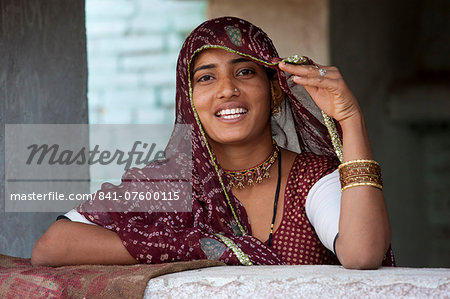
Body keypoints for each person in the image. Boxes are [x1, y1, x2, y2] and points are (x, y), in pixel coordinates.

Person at [31, 16, 394, 268]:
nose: (227, 89)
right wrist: (206, 248)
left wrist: (350, 118)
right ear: (188, 101)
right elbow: (53, 245)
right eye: (206, 78)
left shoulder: (311, 179)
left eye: (245, 71)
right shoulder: (166, 185)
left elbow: (362, 255)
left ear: (275, 92)